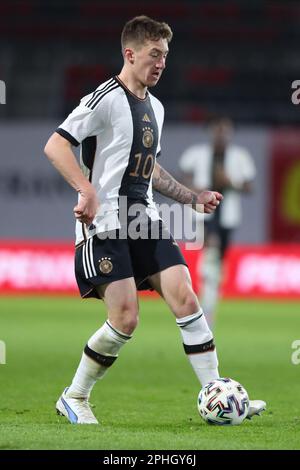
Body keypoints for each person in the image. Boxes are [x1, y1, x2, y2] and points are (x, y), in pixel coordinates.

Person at [44, 16, 265, 424]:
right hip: (106, 221)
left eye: (165, 55)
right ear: (130, 53)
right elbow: (56, 145)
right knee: (125, 318)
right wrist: (85, 189)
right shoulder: (105, 98)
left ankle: (218, 395)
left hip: (143, 217)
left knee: (186, 297)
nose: (161, 63)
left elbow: (151, 171)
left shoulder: (156, 107)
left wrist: (191, 196)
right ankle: (74, 396)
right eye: (154, 54)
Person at [179, 117, 256, 329]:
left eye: (225, 131)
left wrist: (232, 183)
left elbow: (250, 187)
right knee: (211, 251)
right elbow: (183, 176)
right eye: (218, 131)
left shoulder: (240, 157)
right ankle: (206, 309)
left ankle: (210, 299)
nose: (221, 135)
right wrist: (195, 188)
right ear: (212, 132)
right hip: (205, 213)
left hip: (228, 216)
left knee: (219, 262)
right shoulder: (198, 154)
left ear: (230, 134)